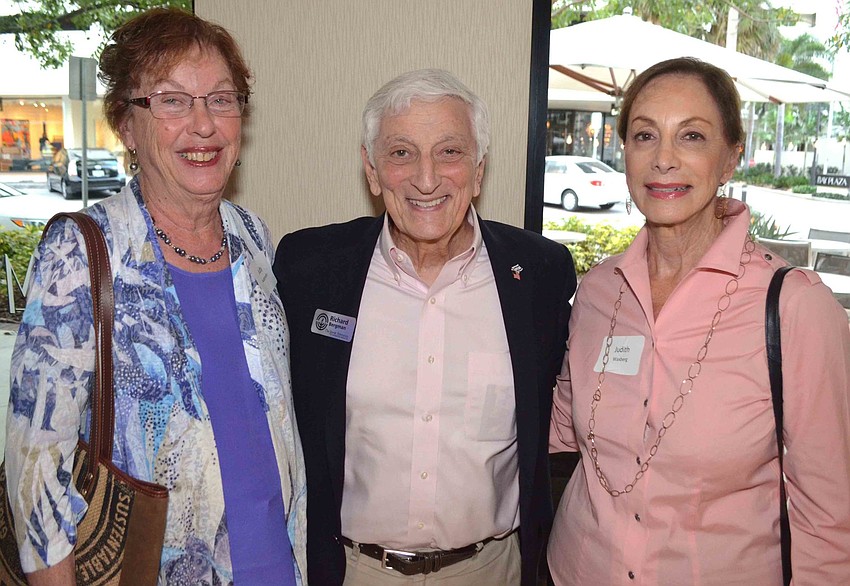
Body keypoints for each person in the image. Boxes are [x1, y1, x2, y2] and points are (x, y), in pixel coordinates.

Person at [4, 8, 306, 585]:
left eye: (221, 99)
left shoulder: (254, 239)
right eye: (171, 101)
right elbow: (37, 471)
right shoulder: (84, 251)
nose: (203, 125)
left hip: (278, 566)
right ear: (126, 123)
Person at [548, 57, 850, 584]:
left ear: (731, 158)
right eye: (644, 136)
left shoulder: (793, 308)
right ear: (625, 153)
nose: (663, 160)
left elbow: (830, 517)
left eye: (690, 136)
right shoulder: (598, 293)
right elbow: (558, 428)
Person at [274, 69, 576, 585]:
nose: (427, 178)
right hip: (351, 570)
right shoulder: (310, 270)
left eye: (450, 152)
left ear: (479, 170)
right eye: (401, 153)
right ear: (372, 172)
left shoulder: (540, 275)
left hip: (492, 569)